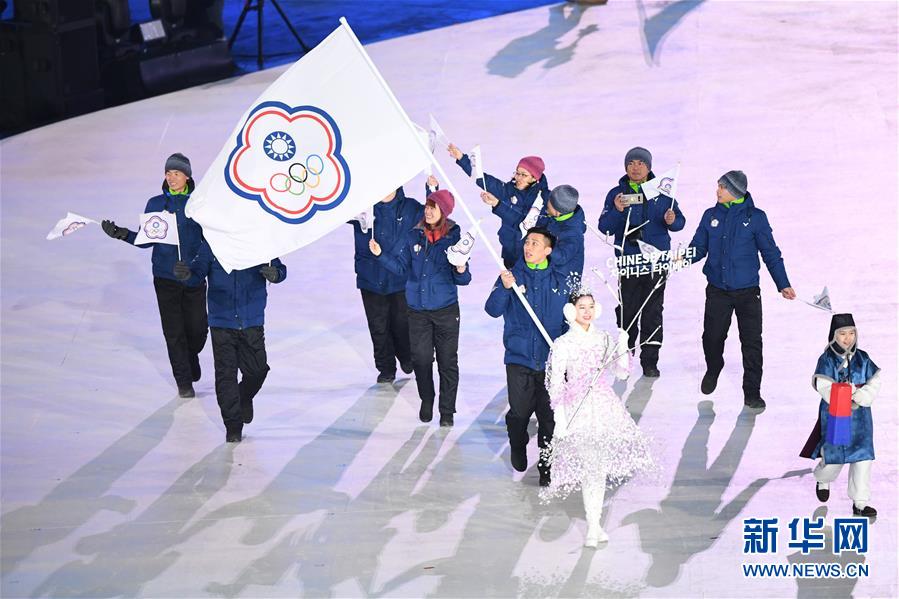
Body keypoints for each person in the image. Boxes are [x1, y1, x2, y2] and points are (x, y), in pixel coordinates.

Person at [539, 292, 653, 546]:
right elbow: (555, 383)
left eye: (591, 307)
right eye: (582, 307)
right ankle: (593, 526)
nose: (587, 312)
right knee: (592, 466)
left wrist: (622, 345)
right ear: (572, 311)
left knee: (597, 468)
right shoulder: (564, 344)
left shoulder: (602, 339)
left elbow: (621, 373)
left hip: (603, 407)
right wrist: (560, 417)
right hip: (577, 410)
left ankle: (594, 524)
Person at [101, 153, 207, 398]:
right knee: (173, 332)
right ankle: (184, 382)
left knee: (198, 330)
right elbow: (146, 239)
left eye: (176, 173)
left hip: (193, 277)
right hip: (165, 278)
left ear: (187, 176)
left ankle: (191, 357)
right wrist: (120, 233)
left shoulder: (199, 203)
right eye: (168, 173)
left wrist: (197, 267)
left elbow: (209, 240)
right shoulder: (155, 204)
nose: (171, 178)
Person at [687, 170, 796, 410]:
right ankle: (714, 367)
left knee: (752, 342)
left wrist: (783, 283)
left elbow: (770, 253)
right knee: (712, 337)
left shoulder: (756, 218)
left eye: (722, 188)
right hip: (718, 290)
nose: (717, 191)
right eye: (718, 186)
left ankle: (752, 392)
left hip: (748, 292)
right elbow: (697, 247)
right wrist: (679, 258)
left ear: (735, 192)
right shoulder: (710, 215)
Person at [369, 188, 471, 427]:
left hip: (446, 310)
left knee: (447, 362)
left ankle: (447, 411)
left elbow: (464, 280)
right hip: (417, 311)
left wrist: (460, 268)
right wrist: (381, 254)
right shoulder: (413, 235)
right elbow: (402, 268)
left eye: (433, 206)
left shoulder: (455, 238)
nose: (427, 210)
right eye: (427, 206)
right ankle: (427, 399)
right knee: (422, 360)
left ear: (443, 212)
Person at [174, 242, 286, 443]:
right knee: (226, 377)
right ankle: (233, 427)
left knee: (258, 370)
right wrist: (186, 275)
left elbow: (279, 267)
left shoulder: (258, 239)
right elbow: (197, 273)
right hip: (221, 321)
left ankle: (243, 397)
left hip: (251, 319)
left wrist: (276, 274)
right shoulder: (212, 241)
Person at [485, 227, 568, 484]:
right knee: (519, 413)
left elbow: (569, 323)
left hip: (550, 363)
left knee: (548, 419)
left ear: (547, 250)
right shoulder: (511, 276)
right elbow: (492, 309)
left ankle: (546, 467)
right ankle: (517, 442)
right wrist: (505, 288)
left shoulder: (559, 281)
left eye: (535, 243)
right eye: (527, 242)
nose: (528, 247)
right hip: (519, 358)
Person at [598, 147, 685, 378]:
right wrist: (617, 210)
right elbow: (604, 227)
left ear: (649, 167)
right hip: (629, 262)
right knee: (627, 310)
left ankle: (650, 361)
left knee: (653, 311)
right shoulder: (616, 194)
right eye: (631, 163)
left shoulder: (663, 191)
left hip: (656, 263)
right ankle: (625, 355)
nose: (635, 168)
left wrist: (672, 220)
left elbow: (679, 222)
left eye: (640, 163)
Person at [800, 313, 881, 518]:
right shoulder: (826, 359)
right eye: (842, 333)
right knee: (835, 459)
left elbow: (874, 381)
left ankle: (860, 502)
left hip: (861, 417)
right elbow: (823, 385)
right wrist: (844, 395)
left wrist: (861, 396)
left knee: (863, 458)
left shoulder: (863, 357)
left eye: (851, 333)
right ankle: (822, 477)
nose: (848, 338)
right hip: (836, 415)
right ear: (834, 335)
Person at [349, 185, 424, 384]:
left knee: (401, 324)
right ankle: (386, 368)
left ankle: (407, 357)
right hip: (370, 278)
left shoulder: (410, 208)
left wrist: (430, 187)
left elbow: (432, 214)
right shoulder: (362, 206)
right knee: (378, 327)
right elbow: (335, 211)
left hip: (399, 279)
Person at [448, 143, 549, 268]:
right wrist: (462, 158)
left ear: (535, 178)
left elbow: (523, 220)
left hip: (532, 257)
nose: (518, 178)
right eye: (517, 173)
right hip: (509, 253)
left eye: (524, 175)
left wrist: (498, 204)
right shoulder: (508, 190)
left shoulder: (543, 199)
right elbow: (483, 180)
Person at [536, 184, 586, 278]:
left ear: (557, 211)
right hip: (546, 277)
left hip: (561, 284)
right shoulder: (555, 215)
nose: (547, 203)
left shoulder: (572, 233)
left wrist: (543, 247)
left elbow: (562, 257)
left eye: (549, 202)